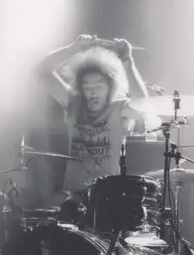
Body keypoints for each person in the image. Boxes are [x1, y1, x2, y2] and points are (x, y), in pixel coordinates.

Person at [36, 34, 157, 206]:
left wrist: (127, 63)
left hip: (109, 196)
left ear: (111, 86)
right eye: (87, 87)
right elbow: (41, 71)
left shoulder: (118, 108)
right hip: (75, 197)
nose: (93, 93)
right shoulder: (74, 104)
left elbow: (144, 109)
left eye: (99, 86)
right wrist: (73, 49)